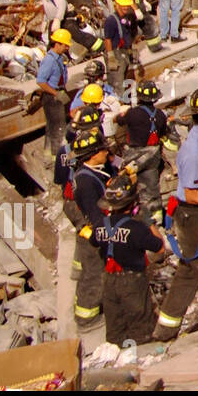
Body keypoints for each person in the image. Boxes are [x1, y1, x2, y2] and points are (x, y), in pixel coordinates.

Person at [153, 86, 198, 345]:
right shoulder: (194, 150)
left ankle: (165, 328)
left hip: (197, 214)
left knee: (191, 270)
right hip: (192, 215)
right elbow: (192, 194)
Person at [94, 168, 166, 347]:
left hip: (109, 281)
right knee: (141, 329)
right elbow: (160, 247)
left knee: (115, 329)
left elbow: (94, 241)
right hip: (132, 281)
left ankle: (117, 361)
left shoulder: (100, 226)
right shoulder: (136, 229)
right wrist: (148, 221)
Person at [68, 126, 114, 330]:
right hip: (93, 235)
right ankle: (86, 318)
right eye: (104, 150)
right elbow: (94, 215)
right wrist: (104, 236)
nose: (107, 152)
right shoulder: (86, 182)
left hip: (90, 232)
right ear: (94, 155)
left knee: (91, 272)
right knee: (94, 274)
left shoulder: (89, 173)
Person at [115, 80, 168, 224]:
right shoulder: (161, 115)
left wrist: (122, 112)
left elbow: (119, 121)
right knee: (151, 186)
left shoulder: (132, 113)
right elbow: (164, 133)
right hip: (153, 156)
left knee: (130, 184)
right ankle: (156, 218)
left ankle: (134, 215)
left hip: (134, 155)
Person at [36, 29, 73, 158]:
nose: (67, 48)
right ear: (57, 44)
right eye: (65, 45)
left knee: (51, 126)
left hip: (57, 93)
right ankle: (57, 157)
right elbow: (41, 82)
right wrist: (56, 94)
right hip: (52, 97)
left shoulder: (59, 58)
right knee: (58, 128)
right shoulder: (49, 60)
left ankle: (48, 154)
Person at [103, 0, 141, 97]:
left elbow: (129, 34)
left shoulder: (126, 18)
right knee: (117, 84)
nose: (126, 7)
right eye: (123, 5)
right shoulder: (111, 20)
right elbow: (107, 39)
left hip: (124, 53)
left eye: (127, 5)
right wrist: (111, 56)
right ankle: (118, 105)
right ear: (117, 5)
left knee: (123, 80)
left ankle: (123, 102)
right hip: (115, 54)